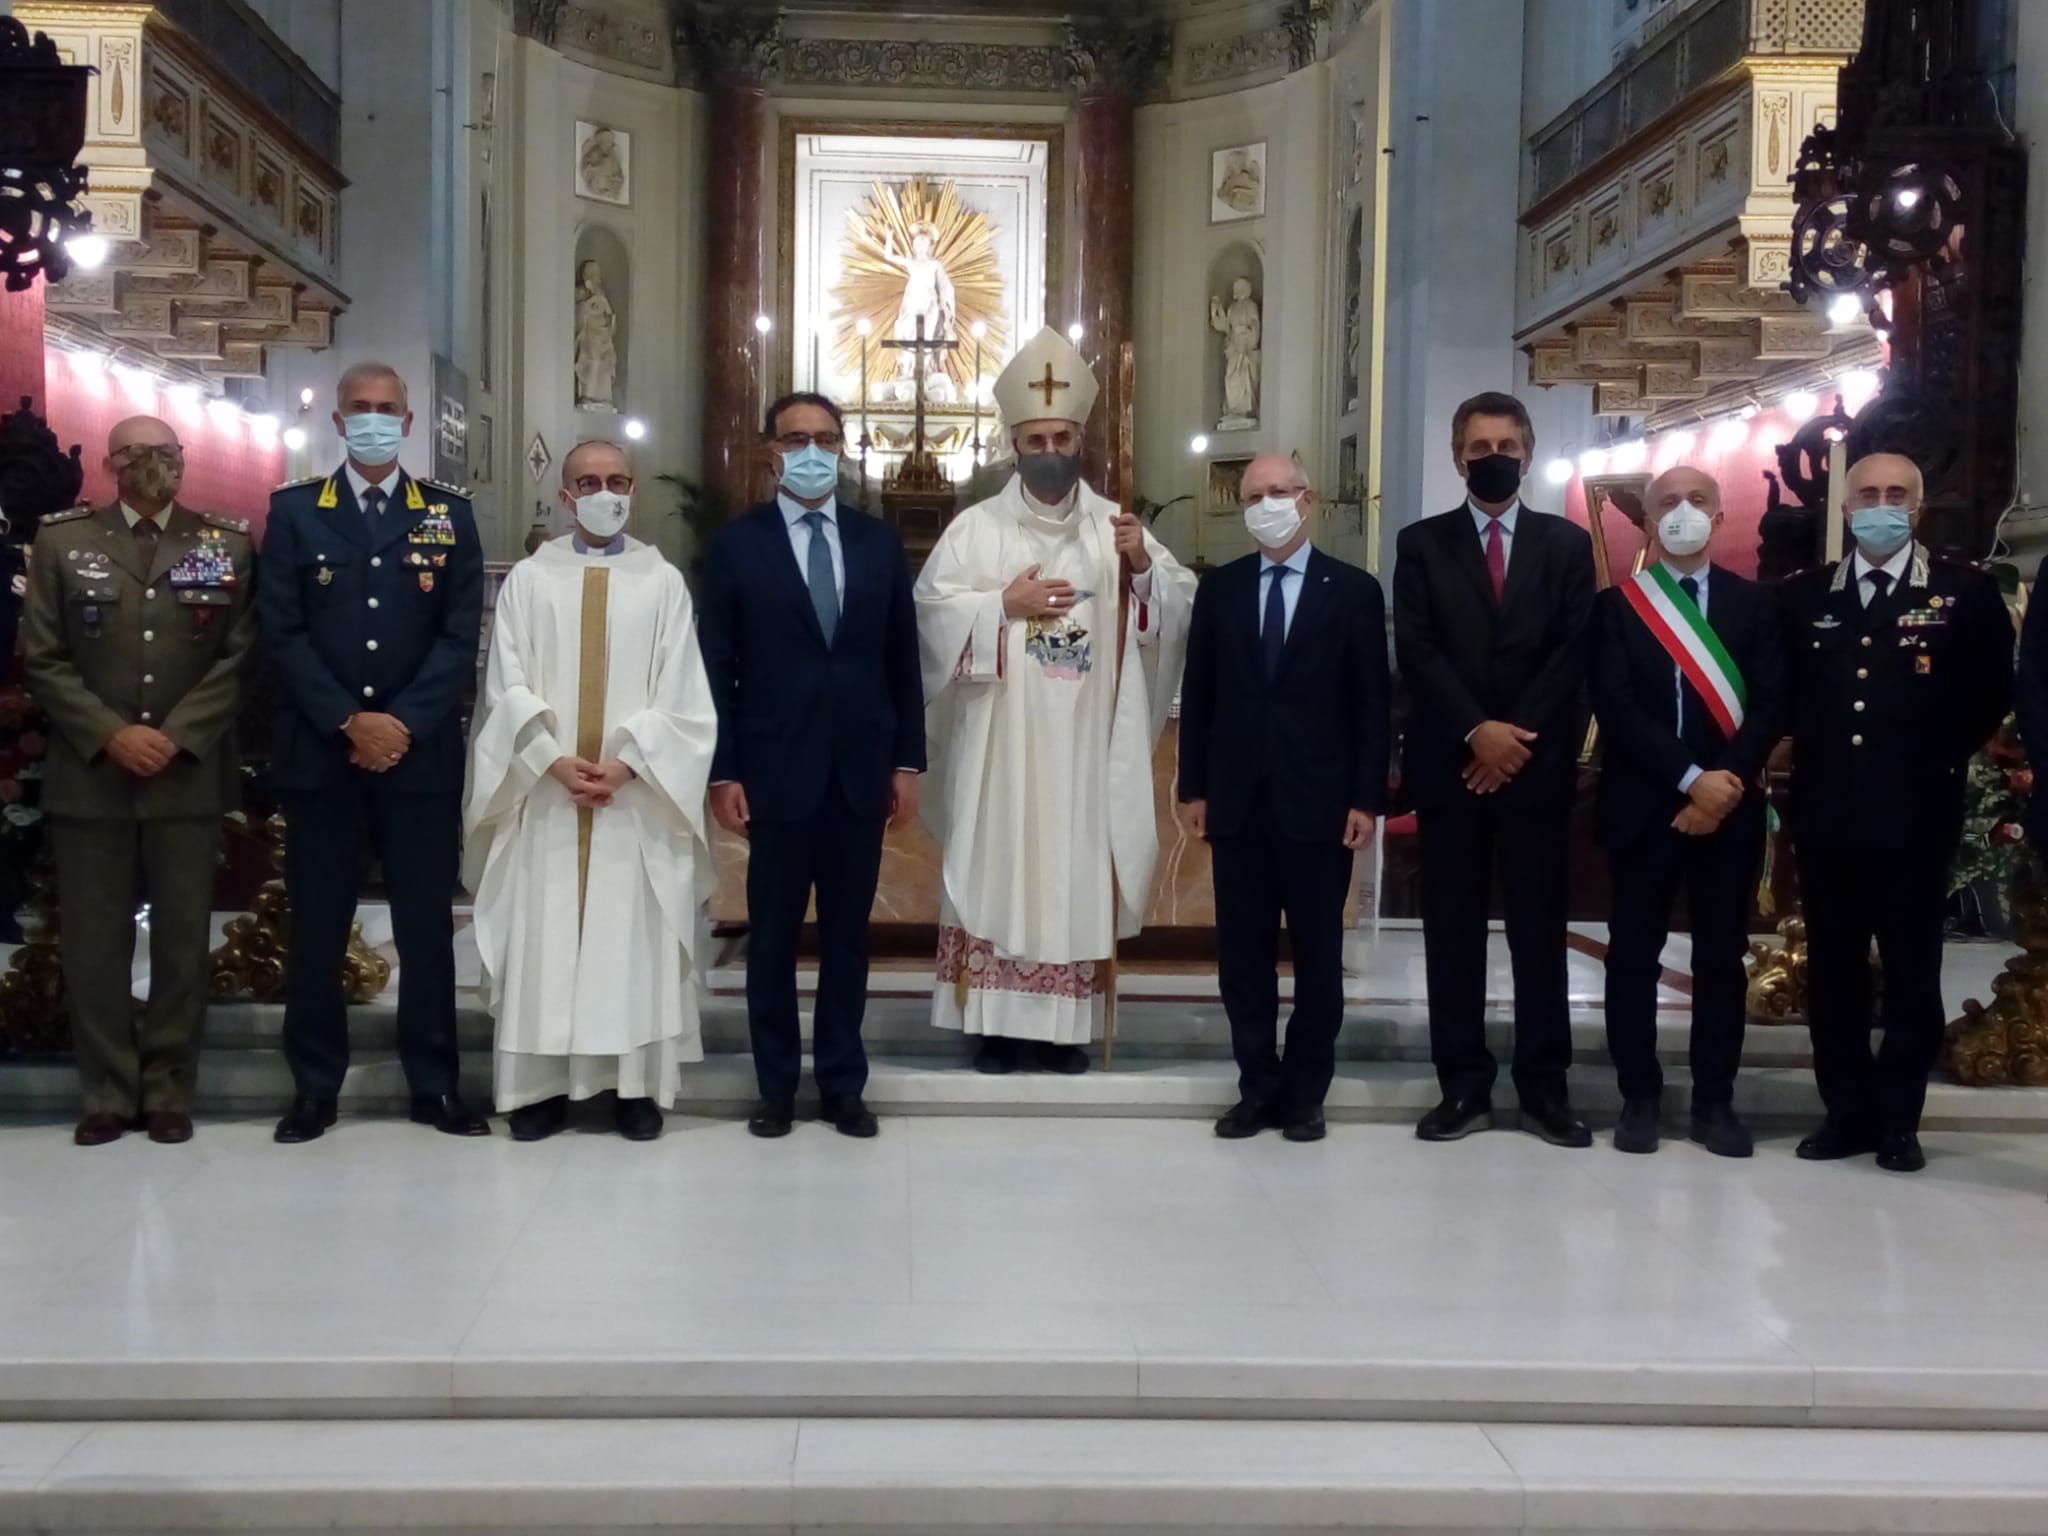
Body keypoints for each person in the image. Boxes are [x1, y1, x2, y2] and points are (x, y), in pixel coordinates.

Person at [915, 326, 1196, 1073]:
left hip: (1083, 747)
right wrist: (999, 605)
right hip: (999, 747)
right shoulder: (974, 531)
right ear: (1013, 442)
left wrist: (1143, 572)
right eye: (1035, 438)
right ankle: (995, 1028)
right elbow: (930, 618)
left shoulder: (1118, 529)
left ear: (1081, 441)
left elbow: (1175, 612)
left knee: (1073, 871)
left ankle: (1065, 1030)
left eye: (1062, 437)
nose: (1049, 450)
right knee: (996, 869)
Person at [259, 361, 489, 1144]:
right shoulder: (296, 511)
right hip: (321, 754)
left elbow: (459, 634)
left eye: (388, 408)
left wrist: (401, 724)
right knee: (318, 925)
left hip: (417, 758)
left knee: (426, 927)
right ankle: (314, 1086)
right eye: (360, 406)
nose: (374, 418)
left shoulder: (447, 515)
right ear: (337, 420)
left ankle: (435, 1083)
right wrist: (348, 721)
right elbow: (281, 631)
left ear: (409, 423)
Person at [465, 441, 717, 1141]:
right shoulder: (529, 580)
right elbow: (504, 683)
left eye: (617, 481)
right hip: (545, 794)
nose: (605, 493)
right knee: (543, 939)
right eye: (588, 482)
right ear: (565, 495)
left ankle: (634, 1088)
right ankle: (537, 1090)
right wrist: (549, 758)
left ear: (633, 490)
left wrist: (631, 763)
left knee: (629, 939)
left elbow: (683, 692)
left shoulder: (661, 582)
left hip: (633, 797)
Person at [21, 415, 256, 1145]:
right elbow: (41, 656)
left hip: (186, 775)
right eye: (137, 451)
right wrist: (110, 733)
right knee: (95, 946)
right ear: (109, 462)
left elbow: (241, 654)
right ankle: (107, 1091)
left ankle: (168, 1090)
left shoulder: (224, 542)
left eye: (166, 451)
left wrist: (178, 735)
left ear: (184, 459)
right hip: (92, 776)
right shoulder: (64, 542)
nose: (154, 462)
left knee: (183, 944)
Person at [699, 393, 925, 1140]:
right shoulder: (737, 545)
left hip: (860, 768)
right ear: (771, 451)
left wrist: (907, 762)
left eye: (826, 439)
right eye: (796, 439)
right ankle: (775, 1086)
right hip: (773, 768)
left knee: (847, 940)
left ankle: (841, 1083)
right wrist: (723, 771)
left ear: (843, 448)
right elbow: (716, 665)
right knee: (770, 938)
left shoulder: (876, 542)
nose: (812, 452)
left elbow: (901, 658)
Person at [1782, 452, 2012, 1172]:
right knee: (1835, 968)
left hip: (1915, 813)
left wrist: (1927, 757)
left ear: (1917, 507)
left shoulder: (1962, 592)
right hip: (1827, 812)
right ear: (1845, 507)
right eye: (1867, 494)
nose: (1881, 504)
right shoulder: (1804, 595)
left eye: (1895, 494)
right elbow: (1787, 692)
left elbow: (1987, 693)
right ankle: (1844, 1112)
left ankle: (1897, 1121)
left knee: (1913, 968)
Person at [1392, 390, 1596, 1147]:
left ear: (1529, 454)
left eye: (1507, 447)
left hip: (1535, 772)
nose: (1494, 459)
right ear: (1458, 458)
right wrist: (1478, 731)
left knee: (1539, 934)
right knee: (1452, 934)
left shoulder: (1566, 545)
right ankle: (1463, 1087)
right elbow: (1417, 649)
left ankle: (1544, 1090)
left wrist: (1514, 740)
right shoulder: (1422, 543)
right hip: (1452, 767)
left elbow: (1572, 650)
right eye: (1479, 448)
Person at [1178, 454, 1388, 1141]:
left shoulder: (1352, 590)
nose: (1267, 503)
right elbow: (1201, 693)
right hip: (1238, 801)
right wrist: (1193, 786)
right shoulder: (1221, 589)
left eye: (1279, 492)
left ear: (1308, 499)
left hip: (1320, 802)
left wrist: (1366, 798)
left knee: (1318, 955)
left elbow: (1372, 702)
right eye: (1254, 495)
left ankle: (1305, 1092)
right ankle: (1257, 1086)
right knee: (1243, 956)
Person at [1590, 466, 1783, 1158]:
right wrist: (1689, 778)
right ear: (1647, 521)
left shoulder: (1755, 604)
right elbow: (1615, 705)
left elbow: (1772, 702)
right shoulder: (1618, 608)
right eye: (1667, 502)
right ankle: (1639, 1096)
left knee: (1721, 958)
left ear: (1720, 516)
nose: (1682, 512)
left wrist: (1721, 783)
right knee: (1632, 954)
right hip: (1644, 806)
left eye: (1697, 500)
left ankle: (1714, 1100)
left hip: (1728, 809)